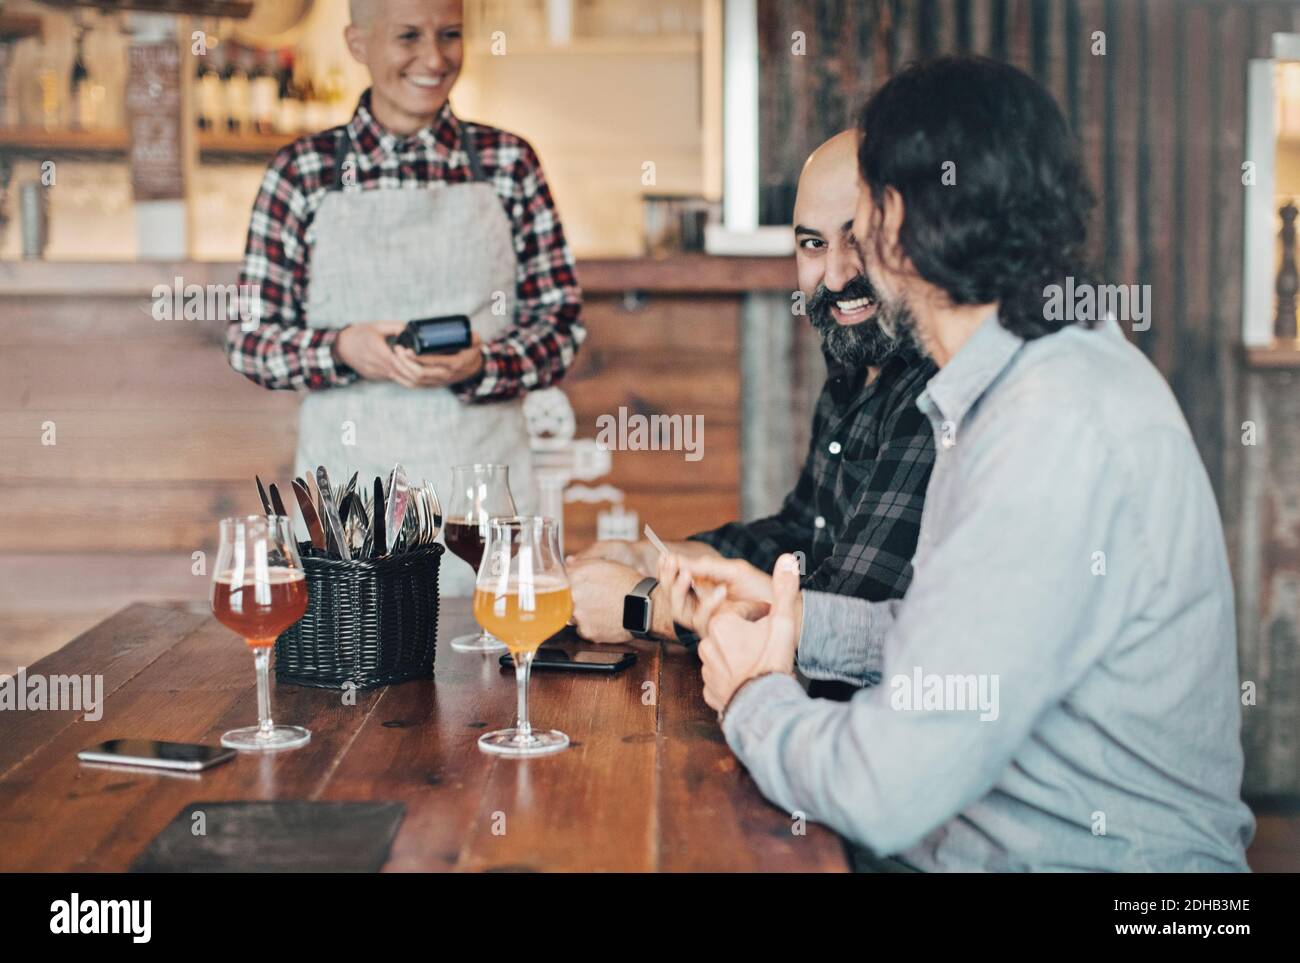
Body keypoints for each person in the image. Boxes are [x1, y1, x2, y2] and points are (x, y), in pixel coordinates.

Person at [673, 57, 1254, 872]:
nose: (840, 260)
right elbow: (958, 649)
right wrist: (797, 623)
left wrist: (751, 698)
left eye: (860, 211)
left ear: (894, 219)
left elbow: (884, 787)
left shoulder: (1044, 429)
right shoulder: (1018, 381)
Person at [224, 0, 584, 594]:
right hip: (348, 512)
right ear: (357, 43)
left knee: (485, 675)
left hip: (481, 507)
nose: (434, 57)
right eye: (408, 37)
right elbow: (250, 340)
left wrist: (484, 364)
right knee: (361, 667)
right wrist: (343, 347)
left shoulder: (509, 164)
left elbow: (562, 326)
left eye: (449, 35)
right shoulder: (302, 172)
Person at [567, 131, 936, 666]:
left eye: (857, 238)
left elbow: (846, 618)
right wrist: (661, 555)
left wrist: (645, 605)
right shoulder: (855, 361)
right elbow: (802, 535)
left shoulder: (934, 386)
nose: (835, 273)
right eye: (813, 244)